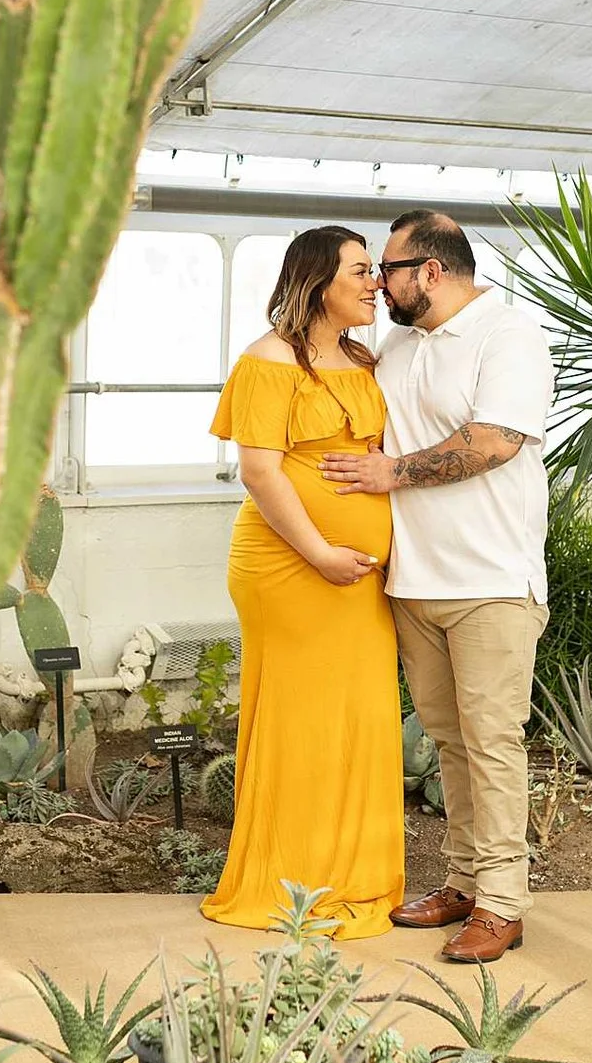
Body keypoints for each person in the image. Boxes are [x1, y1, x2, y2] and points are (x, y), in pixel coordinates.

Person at [323, 210, 554, 965]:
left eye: (386, 269)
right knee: (450, 741)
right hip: (414, 581)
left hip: (491, 581)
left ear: (429, 271)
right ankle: (462, 881)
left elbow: (494, 441)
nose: (377, 283)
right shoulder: (400, 341)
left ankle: (503, 905)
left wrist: (393, 472)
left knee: (493, 743)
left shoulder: (508, 336)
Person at [202, 225, 404, 939]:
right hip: (289, 568)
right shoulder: (266, 361)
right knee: (302, 721)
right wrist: (320, 551)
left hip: (357, 578)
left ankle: (350, 873)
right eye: (360, 270)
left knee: (361, 716)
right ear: (318, 280)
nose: (375, 282)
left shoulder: (364, 359)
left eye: (376, 270)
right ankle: (289, 883)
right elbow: (259, 472)